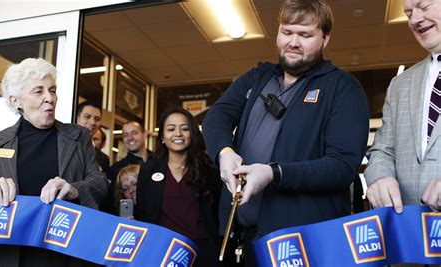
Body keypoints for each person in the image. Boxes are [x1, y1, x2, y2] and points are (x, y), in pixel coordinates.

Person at [202, 0, 369, 265]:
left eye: (305, 35)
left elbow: (342, 166)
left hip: (301, 244)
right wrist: (224, 152)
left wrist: (274, 173)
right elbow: (217, 117)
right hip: (241, 237)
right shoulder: (258, 77)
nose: (293, 42)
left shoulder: (343, 88)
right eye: (287, 32)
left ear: (325, 38)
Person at [0, 58, 108, 266]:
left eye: (52, 90)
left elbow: (100, 183)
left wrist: (74, 189)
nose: (49, 98)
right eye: (38, 91)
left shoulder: (78, 137)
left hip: (65, 255)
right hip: (8, 257)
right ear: (16, 101)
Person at [365, 0, 441, 215]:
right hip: (411, 233)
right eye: (408, 14)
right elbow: (382, 150)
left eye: (424, 7)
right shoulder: (400, 84)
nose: (415, 19)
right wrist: (379, 176)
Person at [135, 108, 222, 267]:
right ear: (162, 136)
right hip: (162, 252)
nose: (178, 134)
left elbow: (218, 213)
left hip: (202, 252)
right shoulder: (149, 170)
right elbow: (142, 213)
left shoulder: (209, 170)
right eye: (171, 129)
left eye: (185, 128)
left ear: (192, 134)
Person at [101, 120, 152, 213]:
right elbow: (110, 205)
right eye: (125, 135)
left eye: (134, 133)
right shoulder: (115, 170)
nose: (130, 138)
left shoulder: (160, 162)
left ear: (145, 134)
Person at [76, 100, 110, 174]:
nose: (92, 123)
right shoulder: (62, 143)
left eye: (97, 119)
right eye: (87, 117)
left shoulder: (103, 159)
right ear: (77, 118)